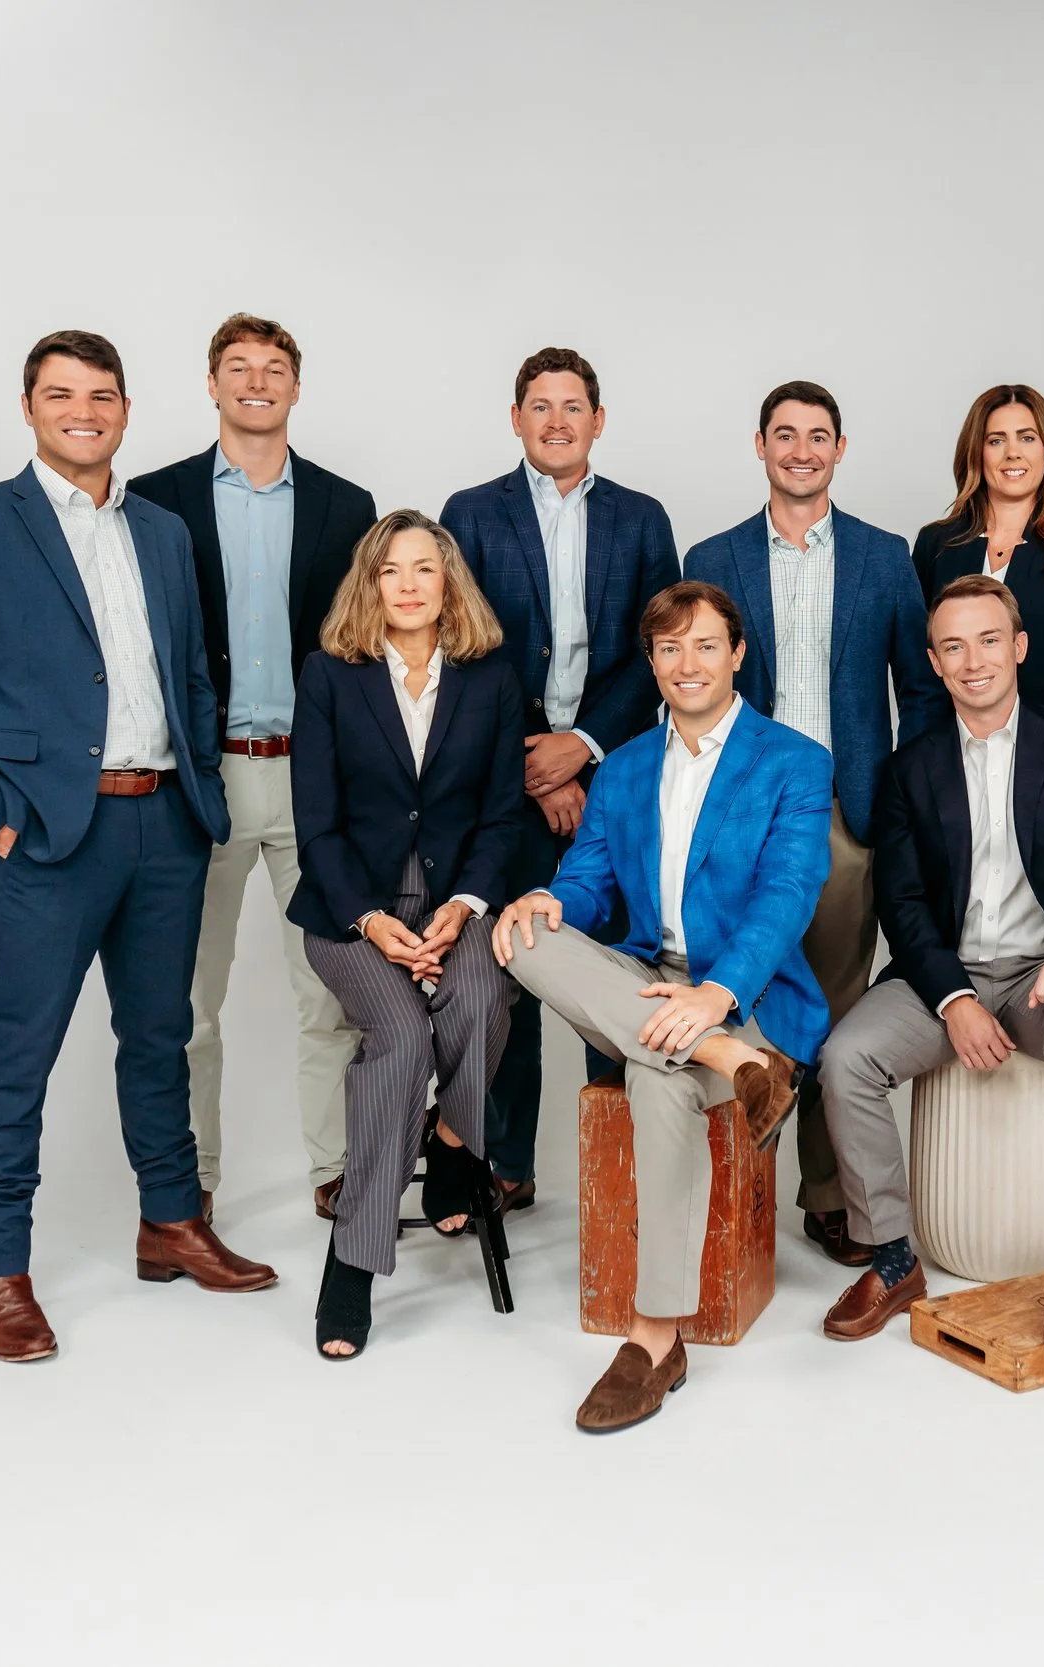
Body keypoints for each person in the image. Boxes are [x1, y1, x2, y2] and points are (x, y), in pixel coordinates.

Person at [0, 330, 277, 1364]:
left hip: (165, 824)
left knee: (160, 1036)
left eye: (101, 395)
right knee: (18, 1049)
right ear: (29, 407)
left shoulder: (161, 530)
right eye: (61, 394)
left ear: (126, 409)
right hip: (50, 835)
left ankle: (170, 1221)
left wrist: (198, 789)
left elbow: (190, 672)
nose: (83, 411)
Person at [493, 581, 823, 1433]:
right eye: (670, 649)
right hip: (643, 984)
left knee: (660, 1083)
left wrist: (715, 996)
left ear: (737, 653)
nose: (688, 664)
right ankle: (731, 1063)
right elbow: (588, 879)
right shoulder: (627, 766)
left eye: (706, 645)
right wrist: (552, 899)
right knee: (521, 933)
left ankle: (653, 1336)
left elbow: (787, 895)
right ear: (652, 662)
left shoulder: (793, 760)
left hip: (745, 994)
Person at [816, 577, 1044, 1343]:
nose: (974, 661)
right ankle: (893, 1259)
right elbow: (902, 901)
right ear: (933, 661)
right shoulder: (911, 766)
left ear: (1019, 647)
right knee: (845, 1057)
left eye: (989, 640)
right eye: (954, 647)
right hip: (944, 971)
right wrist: (953, 998)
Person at [683, 380, 942, 1269]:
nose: (801, 450)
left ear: (840, 448)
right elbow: (687, 680)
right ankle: (733, 1192)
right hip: (738, 809)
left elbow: (919, 689)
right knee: (733, 988)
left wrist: (898, 798)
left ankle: (829, 1196)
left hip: (842, 812)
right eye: (785, 434)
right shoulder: (712, 554)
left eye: (818, 435)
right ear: (759, 445)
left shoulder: (884, 555)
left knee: (831, 1007)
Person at [127, 315, 377, 1226]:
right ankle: (187, 1179)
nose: (257, 382)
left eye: (274, 368)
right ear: (212, 384)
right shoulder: (155, 501)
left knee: (331, 990)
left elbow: (362, 651)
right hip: (203, 781)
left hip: (314, 781)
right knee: (188, 998)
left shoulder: (347, 506)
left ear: (296, 388)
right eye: (239, 367)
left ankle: (338, 1169)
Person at [442, 348, 680, 1212]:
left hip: (614, 782)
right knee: (511, 968)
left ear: (597, 420)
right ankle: (508, 1164)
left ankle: (621, 1169)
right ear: (516, 420)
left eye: (572, 406)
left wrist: (581, 746)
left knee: (613, 969)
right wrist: (535, 766)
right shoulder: (471, 514)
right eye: (539, 406)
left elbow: (658, 650)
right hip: (504, 782)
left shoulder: (642, 519)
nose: (555, 421)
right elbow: (462, 648)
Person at [289, 511, 525, 1358]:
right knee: (400, 1037)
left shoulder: (490, 677)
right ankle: (352, 1261)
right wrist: (373, 919)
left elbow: (502, 814)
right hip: (352, 908)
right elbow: (316, 824)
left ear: (448, 579)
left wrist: (462, 906)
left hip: (459, 900)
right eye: (391, 570)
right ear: (371, 583)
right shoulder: (330, 674)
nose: (410, 584)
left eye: (425, 567)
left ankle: (451, 1140)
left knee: (482, 998)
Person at [910, 384, 1044, 716]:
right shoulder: (935, 544)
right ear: (977, 454)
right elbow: (918, 665)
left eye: (1027, 438)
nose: (1012, 453)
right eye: (996, 440)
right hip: (946, 741)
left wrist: (1040, 743)